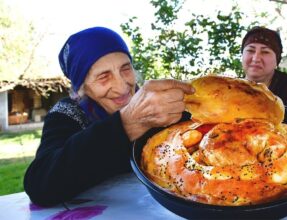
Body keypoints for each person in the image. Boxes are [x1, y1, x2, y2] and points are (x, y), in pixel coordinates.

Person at [23, 27, 194, 206]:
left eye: (126, 69)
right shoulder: (68, 114)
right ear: (83, 88)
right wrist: (126, 125)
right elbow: (41, 185)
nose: (122, 87)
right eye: (104, 77)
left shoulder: (155, 104)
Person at [241, 26, 287, 119]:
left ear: (277, 60)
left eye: (265, 52)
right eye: (250, 50)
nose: (256, 58)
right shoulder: (231, 87)